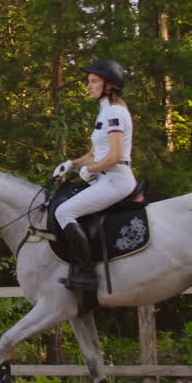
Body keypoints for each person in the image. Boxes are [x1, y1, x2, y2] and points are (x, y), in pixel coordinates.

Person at [50, 59, 137, 292]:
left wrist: (91, 169)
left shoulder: (115, 113)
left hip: (117, 180)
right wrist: (71, 164)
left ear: (109, 85)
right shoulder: (104, 111)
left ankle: (87, 273)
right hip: (104, 178)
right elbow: (94, 154)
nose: (88, 86)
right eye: (88, 81)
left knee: (64, 211)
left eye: (93, 81)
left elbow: (116, 156)